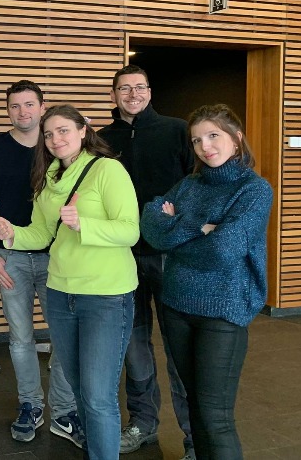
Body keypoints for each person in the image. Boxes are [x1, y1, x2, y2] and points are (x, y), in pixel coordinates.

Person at [0, 103, 139, 460]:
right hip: (61, 294)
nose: (56, 139)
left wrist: (84, 224)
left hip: (105, 295)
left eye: (63, 130)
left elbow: (130, 231)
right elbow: (42, 234)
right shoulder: (49, 179)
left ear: (83, 131)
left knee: (98, 396)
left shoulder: (107, 169)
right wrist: (12, 234)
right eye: (49, 134)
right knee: (79, 389)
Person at [141, 104, 272, 460]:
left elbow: (224, 250)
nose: (205, 146)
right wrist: (199, 227)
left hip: (223, 312)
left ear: (236, 138)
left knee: (216, 417)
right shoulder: (189, 184)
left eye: (213, 136)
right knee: (196, 408)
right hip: (177, 305)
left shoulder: (254, 190)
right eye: (197, 140)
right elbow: (151, 227)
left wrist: (176, 234)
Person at [0, 80, 83, 446]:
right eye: (15, 106)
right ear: (8, 110)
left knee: (63, 337)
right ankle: (30, 406)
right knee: (20, 337)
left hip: (58, 255)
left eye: (29, 104)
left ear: (42, 106)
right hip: (11, 257)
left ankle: (64, 411)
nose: (23, 112)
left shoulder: (58, 147)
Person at [97, 65, 196, 459]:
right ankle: (143, 423)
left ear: (150, 92)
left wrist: (183, 227)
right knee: (133, 346)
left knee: (179, 347)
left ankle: (194, 437)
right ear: (114, 95)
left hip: (170, 256)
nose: (133, 94)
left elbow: (196, 185)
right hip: (122, 258)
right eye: (124, 88)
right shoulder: (102, 140)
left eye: (139, 87)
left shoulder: (177, 130)